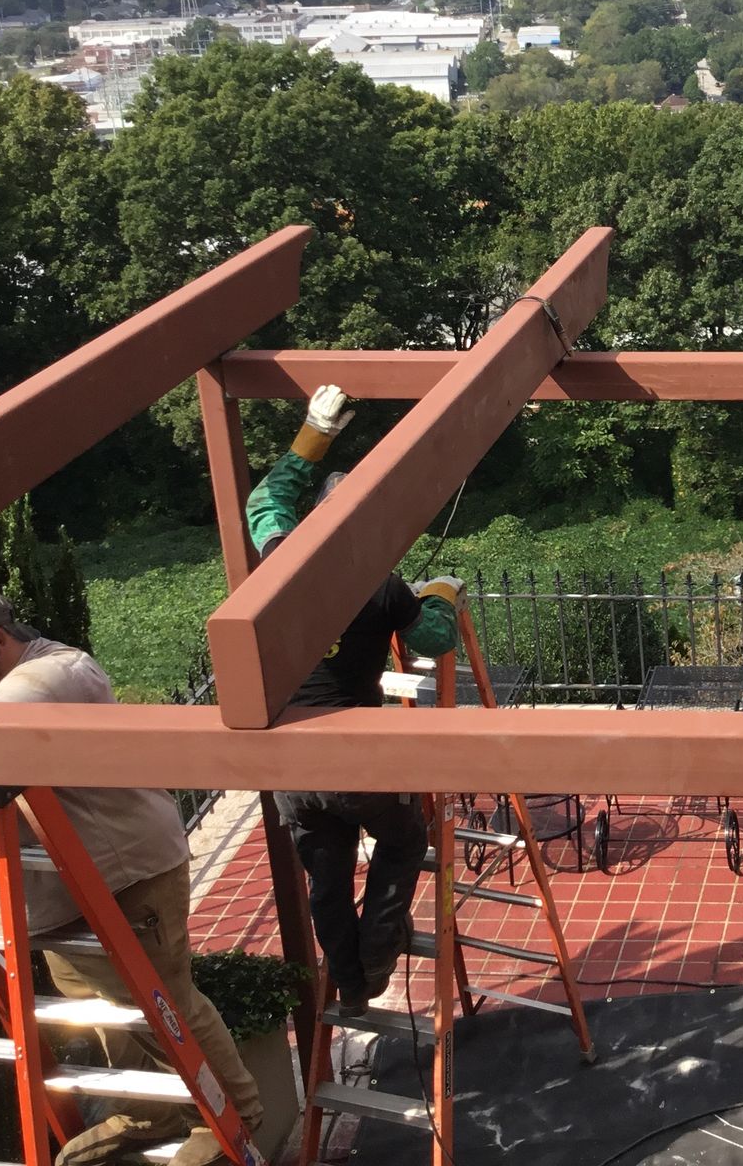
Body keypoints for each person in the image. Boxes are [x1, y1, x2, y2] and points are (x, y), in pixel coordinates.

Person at [0, 576, 264, 1166]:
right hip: (62, 886)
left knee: (162, 1004)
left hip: (125, 878)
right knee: (99, 1008)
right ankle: (147, 1108)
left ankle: (229, 1113)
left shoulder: (54, 674)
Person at [250, 383, 463, 1013]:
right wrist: (443, 593)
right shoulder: (381, 585)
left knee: (327, 873)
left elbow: (266, 501)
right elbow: (433, 638)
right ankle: (374, 958)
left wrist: (314, 432)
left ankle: (349, 985)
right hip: (353, 758)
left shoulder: (279, 560)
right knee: (403, 839)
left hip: (290, 764)